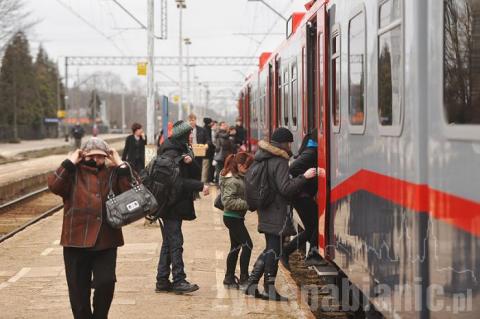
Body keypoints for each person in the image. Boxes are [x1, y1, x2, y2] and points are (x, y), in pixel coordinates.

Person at [47, 137, 131, 319]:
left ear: (107, 156)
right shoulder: (72, 173)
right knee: (78, 292)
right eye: (92, 156)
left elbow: (134, 194)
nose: (96, 160)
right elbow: (54, 185)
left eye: (101, 156)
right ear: (83, 155)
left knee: (106, 282)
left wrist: (121, 164)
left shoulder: (113, 172)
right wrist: (69, 162)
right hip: (75, 241)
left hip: (106, 240)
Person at [244, 128, 319, 301]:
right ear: (284, 143)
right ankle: (268, 288)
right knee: (274, 251)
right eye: (290, 142)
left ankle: (252, 283)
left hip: (268, 209)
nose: (291, 145)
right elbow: (286, 189)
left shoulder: (264, 157)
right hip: (276, 210)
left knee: (272, 248)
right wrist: (304, 177)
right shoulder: (279, 161)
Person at [155, 120, 210, 294]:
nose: (192, 136)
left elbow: (192, 170)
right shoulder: (172, 153)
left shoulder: (180, 150)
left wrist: (189, 160)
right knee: (176, 242)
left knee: (168, 242)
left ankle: (162, 281)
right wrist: (200, 186)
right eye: (189, 133)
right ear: (182, 135)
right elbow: (178, 182)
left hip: (171, 203)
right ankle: (179, 280)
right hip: (170, 204)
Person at [280, 129, 326, 269]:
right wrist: (306, 177)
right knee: (317, 224)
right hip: (301, 196)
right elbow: (292, 170)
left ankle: (286, 252)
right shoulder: (311, 153)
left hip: (302, 195)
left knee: (311, 228)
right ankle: (312, 255)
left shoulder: (311, 150)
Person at [219, 152, 254, 289]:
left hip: (235, 217)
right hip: (232, 217)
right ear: (239, 165)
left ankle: (229, 277)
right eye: (247, 167)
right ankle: (244, 278)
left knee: (236, 247)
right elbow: (228, 201)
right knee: (248, 245)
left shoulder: (237, 176)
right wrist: (247, 204)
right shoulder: (232, 180)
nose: (248, 170)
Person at [187, 114, 208, 180]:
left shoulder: (202, 130)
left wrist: (206, 144)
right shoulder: (185, 130)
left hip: (199, 151)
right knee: (190, 169)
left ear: (196, 120)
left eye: (193, 120)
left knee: (199, 168)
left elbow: (208, 139)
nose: (191, 122)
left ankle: (198, 182)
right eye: (190, 120)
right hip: (189, 152)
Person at [202, 117, 215, 184]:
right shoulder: (206, 130)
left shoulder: (206, 129)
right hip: (207, 151)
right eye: (211, 122)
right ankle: (205, 181)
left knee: (207, 166)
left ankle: (206, 180)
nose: (212, 123)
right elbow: (209, 140)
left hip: (208, 151)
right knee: (206, 166)